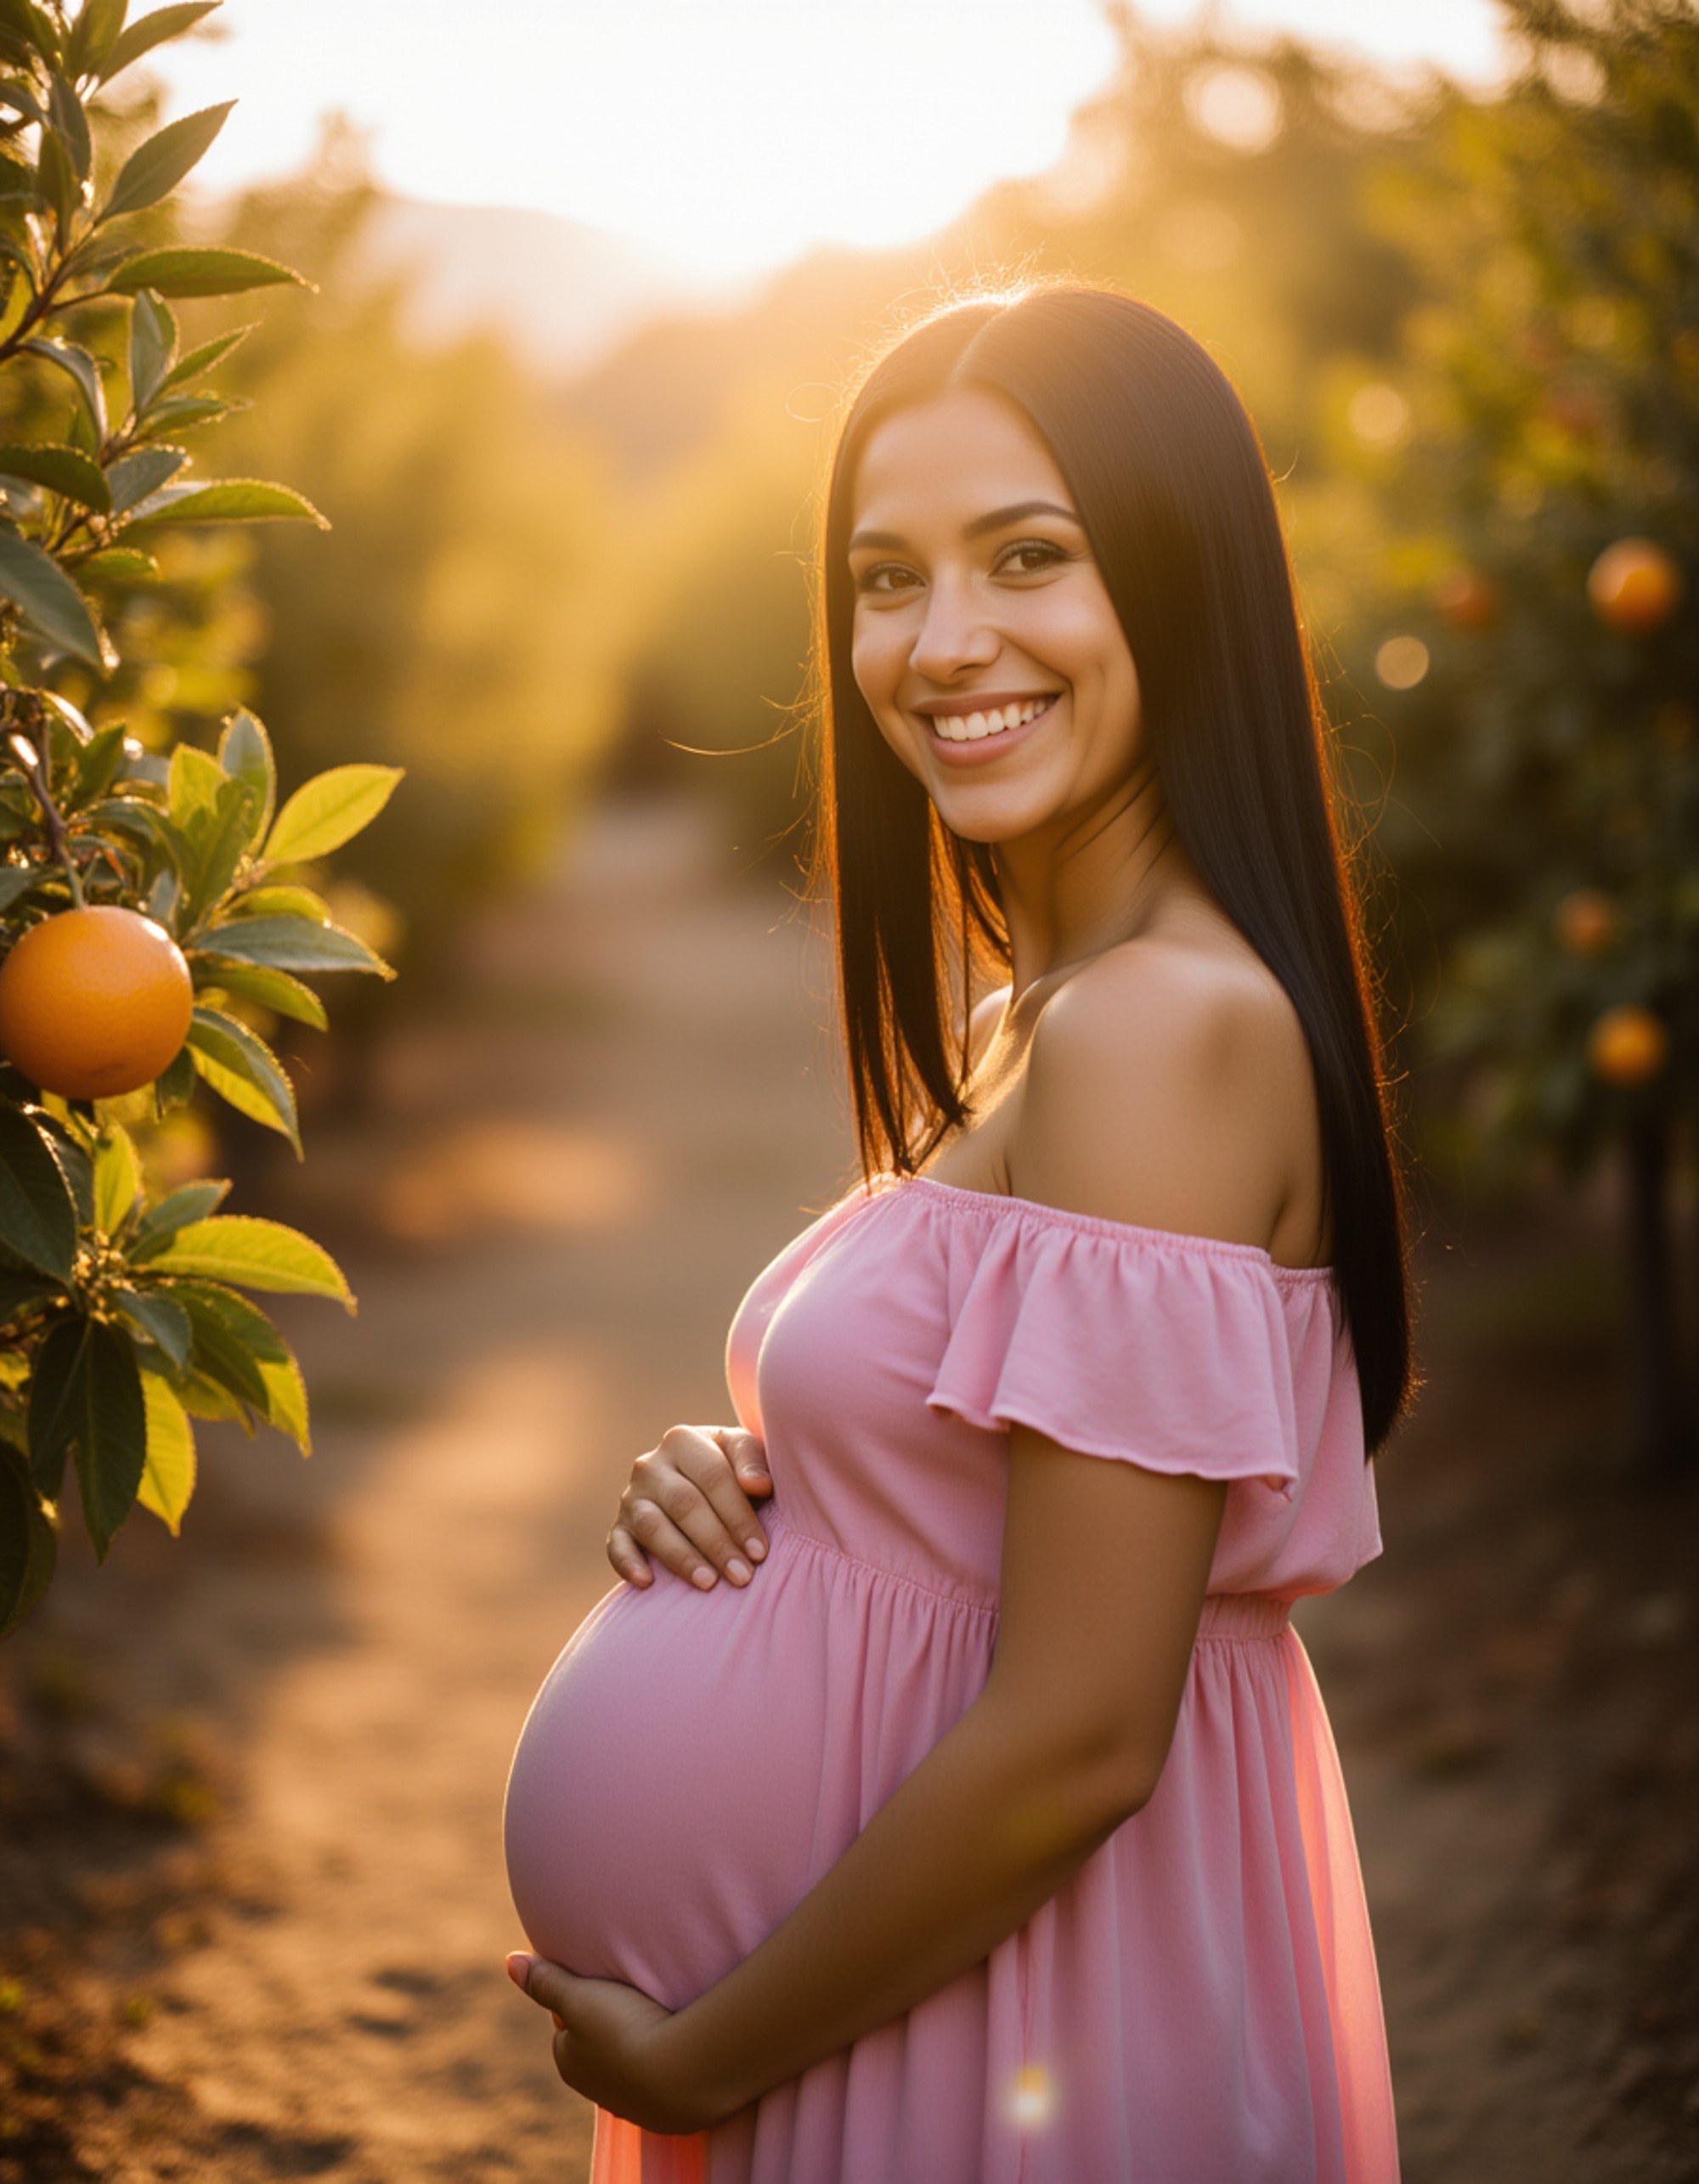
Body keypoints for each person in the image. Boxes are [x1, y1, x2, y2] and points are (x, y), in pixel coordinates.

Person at [502, 281, 1412, 2183]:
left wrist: (697, 2057)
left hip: (1008, 2018)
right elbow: (985, 1491)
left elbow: (1083, 1729)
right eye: (885, 576)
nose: (940, 641)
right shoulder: (1048, 1016)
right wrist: (770, 1484)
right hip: (914, 1981)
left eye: (1028, 557)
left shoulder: (1161, 1032)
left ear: (1178, 579)